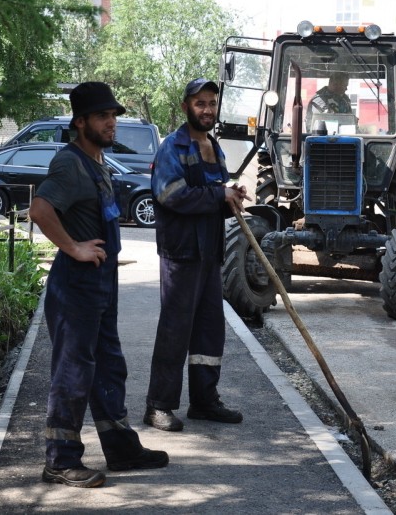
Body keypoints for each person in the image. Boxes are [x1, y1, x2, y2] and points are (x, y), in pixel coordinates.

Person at [29, 82, 168, 488]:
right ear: (81, 121)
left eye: (114, 116)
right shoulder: (70, 163)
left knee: (109, 366)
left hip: (101, 285)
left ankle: (121, 449)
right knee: (74, 372)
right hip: (76, 286)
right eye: (103, 116)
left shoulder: (99, 162)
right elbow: (39, 210)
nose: (112, 123)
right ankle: (61, 460)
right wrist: (73, 247)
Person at [142, 78, 251, 432]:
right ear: (185, 106)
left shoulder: (213, 147)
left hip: (210, 253)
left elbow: (211, 196)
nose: (207, 110)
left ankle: (204, 400)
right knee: (176, 329)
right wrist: (218, 197)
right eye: (200, 103)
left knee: (209, 330)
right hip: (181, 252)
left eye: (212, 103)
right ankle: (158, 406)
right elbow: (171, 196)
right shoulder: (171, 147)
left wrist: (230, 196)